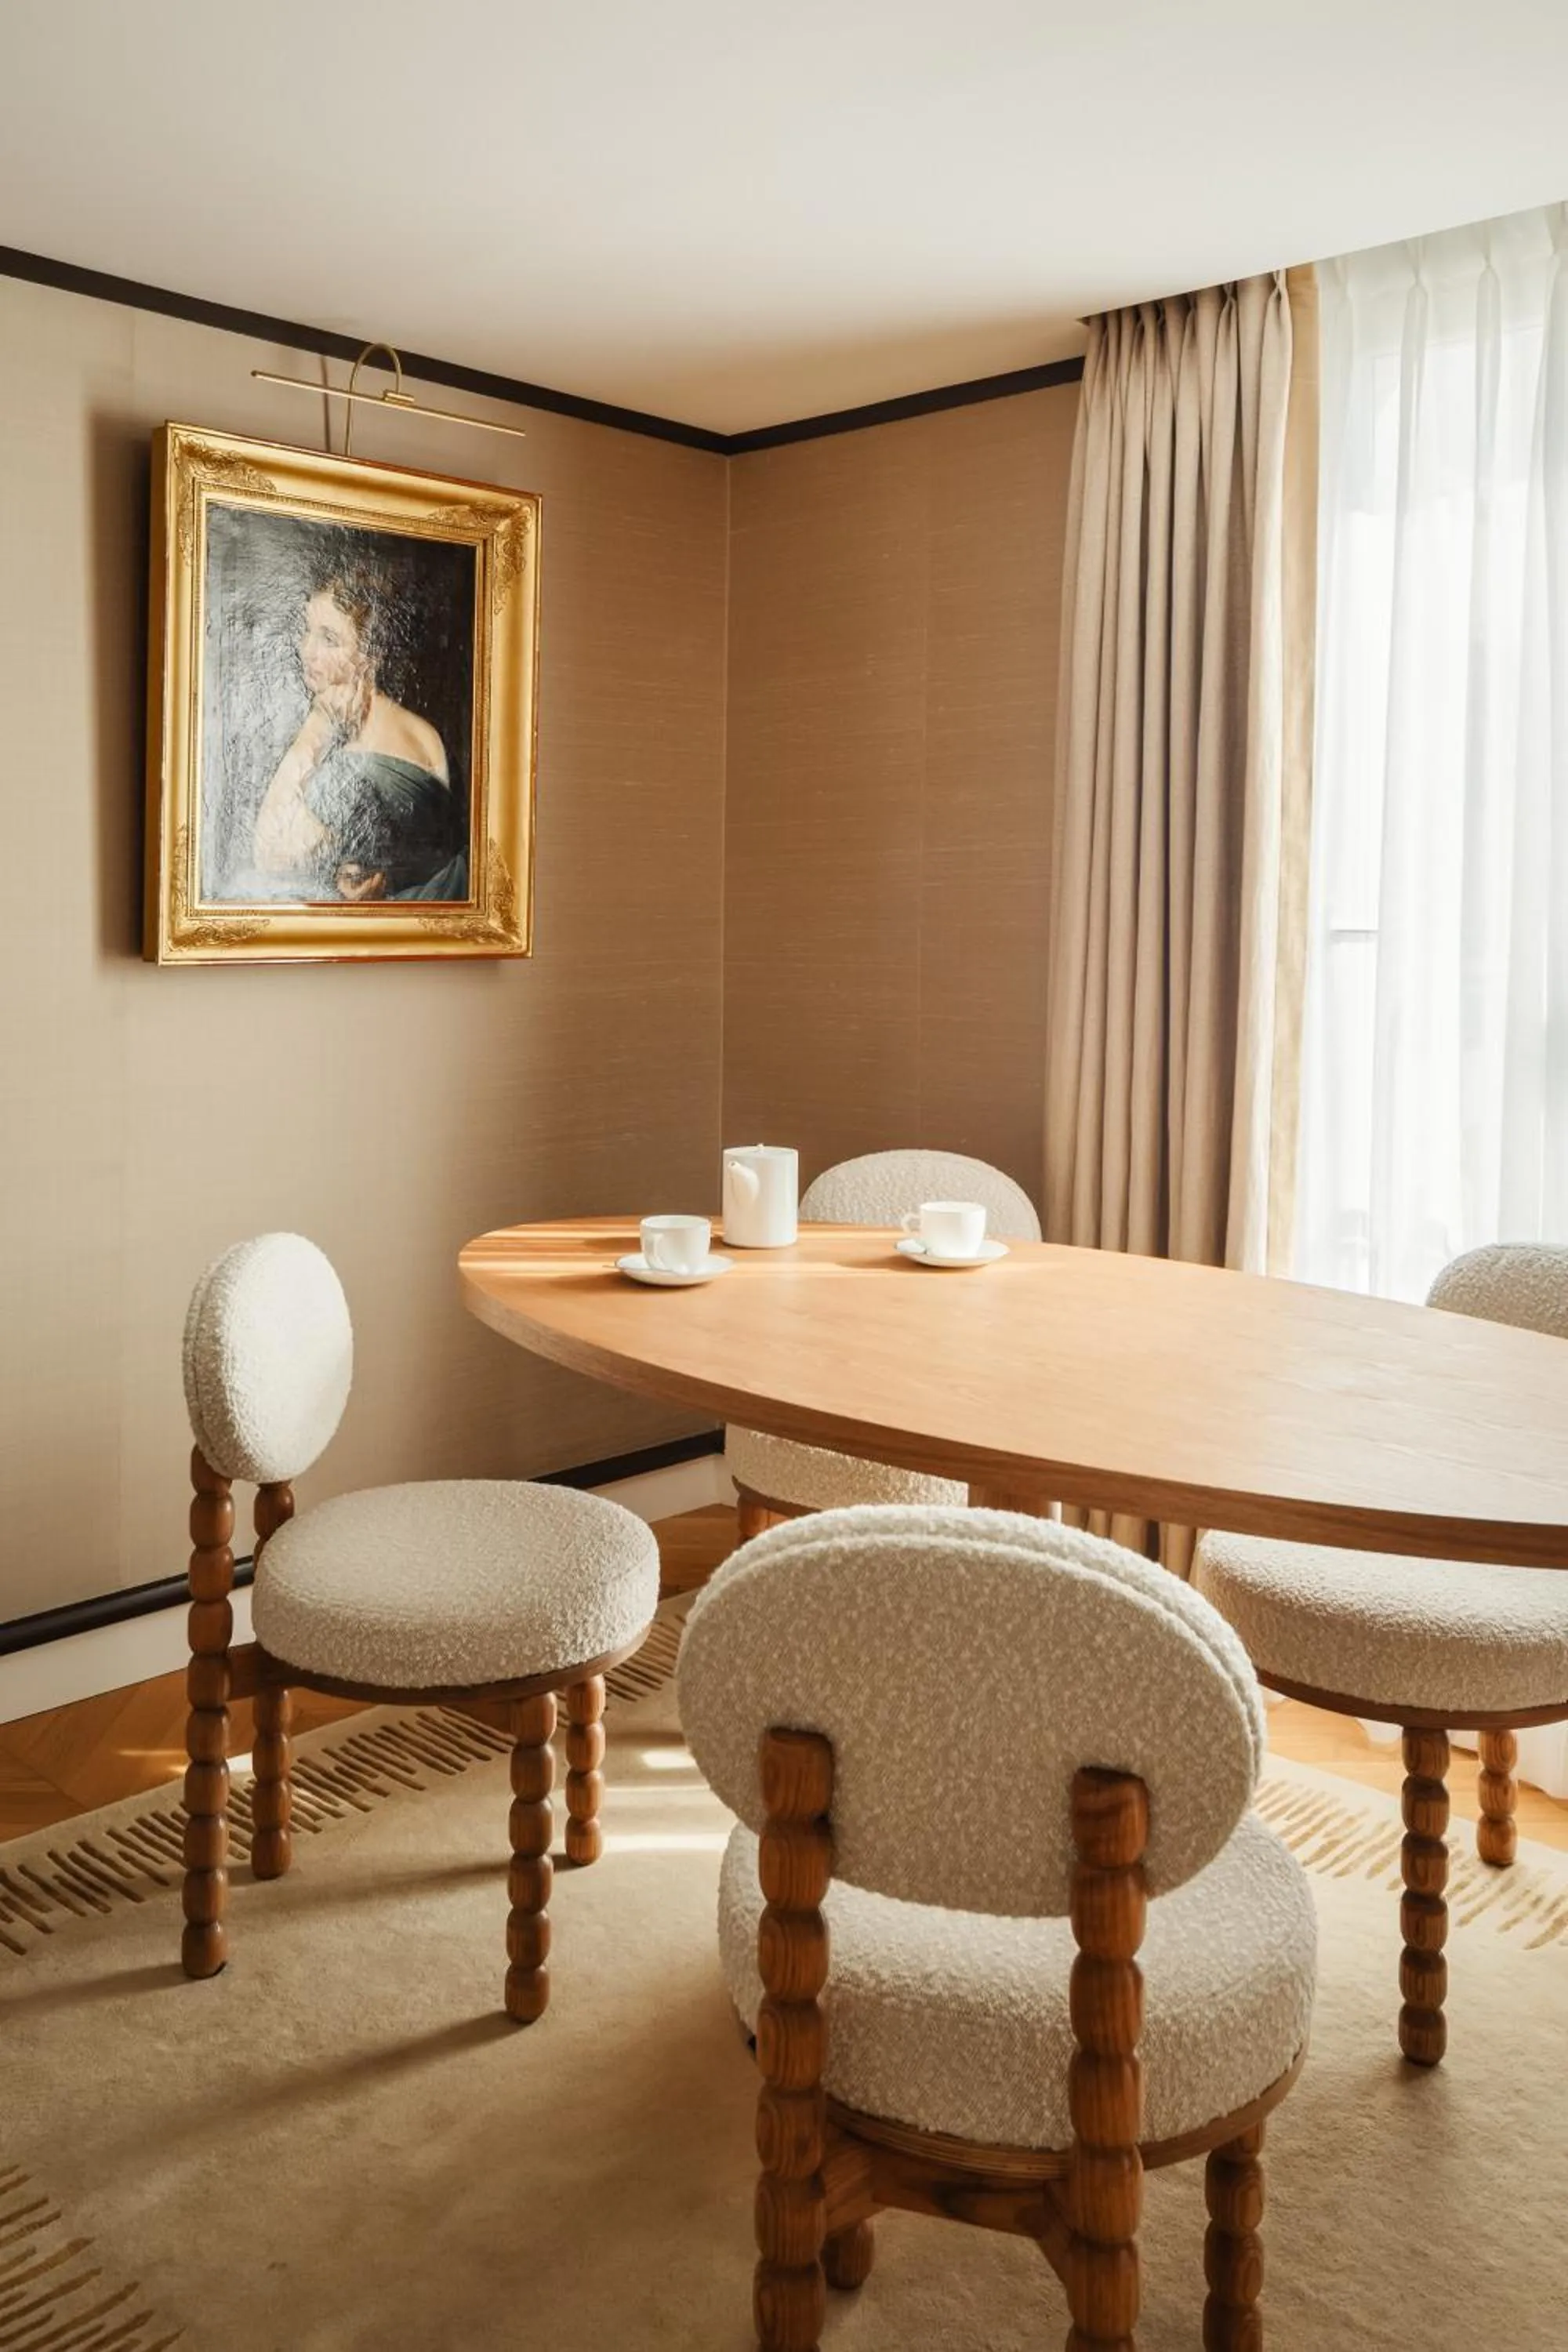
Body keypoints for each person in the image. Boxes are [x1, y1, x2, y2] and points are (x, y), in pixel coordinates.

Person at [252, 569, 466, 900]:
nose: (307, 650)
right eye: (306, 631)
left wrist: (317, 729)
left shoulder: (366, 744)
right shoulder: (422, 731)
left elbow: (269, 855)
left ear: (370, 655)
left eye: (329, 639)